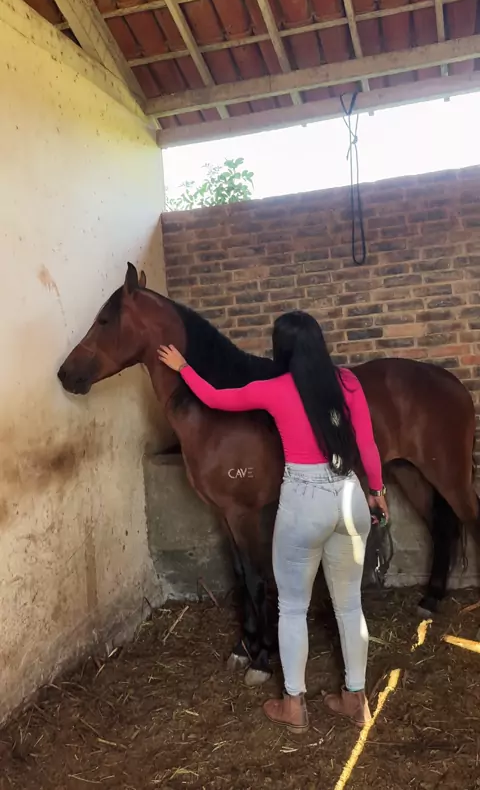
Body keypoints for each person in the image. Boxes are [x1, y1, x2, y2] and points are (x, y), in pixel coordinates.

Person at [157, 310, 388, 734]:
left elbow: (214, 398)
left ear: (281, 348)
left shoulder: (276, 388)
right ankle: (355, 699)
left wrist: (183, 367)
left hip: (303, 502)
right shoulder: (349, 383)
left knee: (293, 607)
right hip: (350, 494)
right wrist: (376, 490)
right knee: (350, 605)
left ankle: (293, 705)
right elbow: (367, 445)